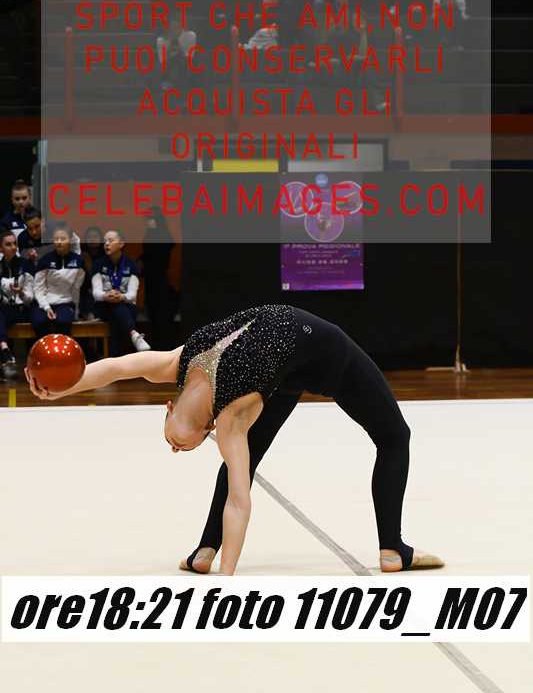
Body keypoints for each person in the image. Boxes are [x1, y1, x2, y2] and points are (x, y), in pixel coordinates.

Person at [26, 304, 444, 576]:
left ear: (206, 427)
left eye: (178, 444)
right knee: (249, 457)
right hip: (278, 359)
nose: (175, 447)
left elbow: (240, 502)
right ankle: (204, 552)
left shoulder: (230, 420)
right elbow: (115, 368)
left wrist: (227, 581)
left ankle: (392, 550)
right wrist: (59, 390)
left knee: (394, 437)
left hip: (323, 351)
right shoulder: (177, 362)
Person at [91, 230, 151, 353]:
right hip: (103, 305)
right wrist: (106, 296)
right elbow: (96, 293)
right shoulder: (98, 264)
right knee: (115, 309)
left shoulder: (131, 265)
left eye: (111, 241)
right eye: (105, 241)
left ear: (121, 243)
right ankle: (134, 334)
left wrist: (121, 297)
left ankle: (113, 357)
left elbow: (132, 295)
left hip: (125, 305)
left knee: (117, 313)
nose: (107, 244)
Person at [31, 224, 85, 339]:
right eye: (56, 239)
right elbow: (38, 288)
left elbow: (76, 288)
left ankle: (61, 349)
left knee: (63, 321)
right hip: (45, 302)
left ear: (70, 240)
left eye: (63, 239)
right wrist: (46, 307)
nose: (59, 242)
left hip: (66, 302)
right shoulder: (45, 260)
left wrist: (76, 311)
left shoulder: (78, 261)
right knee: (39, 321)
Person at [0, 231, 34, 379]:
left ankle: (5, 352)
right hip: (5, 309)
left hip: (23, 309)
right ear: (1, 249)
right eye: (8, 244)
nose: (13, 247)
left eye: (15, 244)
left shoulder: (25, 264)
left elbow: (30, 298)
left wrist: (20, 292)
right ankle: (4, 349)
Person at [141, 208, 174, 350]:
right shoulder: (153, 233)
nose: (148, 221)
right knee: (154, 313)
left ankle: (162, 346)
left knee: (160, 313)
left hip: (159, 278)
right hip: (153, 279)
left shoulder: (161, 234)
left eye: (150, 218)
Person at [79, 226, 105, 319]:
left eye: (95, 237)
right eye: (90, 237)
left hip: (102, 287)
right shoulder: (81, 254)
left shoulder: (106, 254)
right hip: (85, 288)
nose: (92, 239)